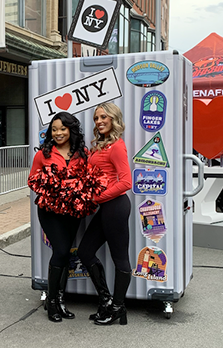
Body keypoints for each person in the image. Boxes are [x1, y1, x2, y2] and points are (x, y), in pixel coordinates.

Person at [28, 112, 88, 322]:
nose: (58, 133)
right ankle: (52, 302)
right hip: (50, 211)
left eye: (62, 129)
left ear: (71, 130)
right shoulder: (43, 154)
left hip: (73, 211)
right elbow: (32, 181)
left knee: (64, 254)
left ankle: (60, 300)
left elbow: (88, 179)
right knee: (61, 251)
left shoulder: (82, 153)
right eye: (54, 129)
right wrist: (54, 187)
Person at [77, 102, 132, 326]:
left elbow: (126, 181)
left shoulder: (117, 145)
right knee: (85, 251)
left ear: (113, 119)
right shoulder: (100, 145)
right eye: (96, 118)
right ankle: (106, 301)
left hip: (116, 207)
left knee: (120, 259)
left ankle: (118, 307)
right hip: (106, 207)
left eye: (103, 117)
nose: (99, 121)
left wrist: (97, 198)